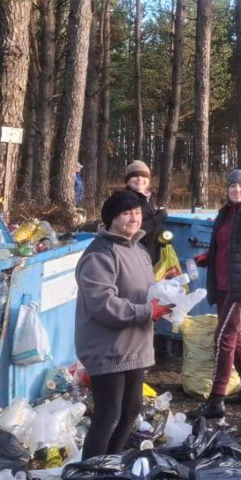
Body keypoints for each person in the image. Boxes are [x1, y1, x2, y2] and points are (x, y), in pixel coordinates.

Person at [75, 190, 174, 459]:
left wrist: (167, 297)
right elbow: (103, 304)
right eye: (126, 213)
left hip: (135, 346)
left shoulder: (139, 250)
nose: (134, 218)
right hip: (108, 348)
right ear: (112, 218)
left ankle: (110, 467)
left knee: (130, 411)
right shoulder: (100, 254)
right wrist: (146, 311)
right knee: (108, 415)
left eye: (138, 213)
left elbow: (144, 291)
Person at [190, 169, 241, 419]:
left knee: (223, 338)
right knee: (234, 339)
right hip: (224, 284)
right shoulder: (225, 213)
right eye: (233, 186)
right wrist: (208, 258)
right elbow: (225, 246)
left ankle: (216, 400)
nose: (237, 190)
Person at [122, 160, 166, 266]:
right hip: (135, 258)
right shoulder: (125, 199)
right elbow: (132, 230)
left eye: (144, 176)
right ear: (127, 180)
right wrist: (157, 218)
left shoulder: (147, 198)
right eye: (135, 176)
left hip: (151, 255)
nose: (140, 179)